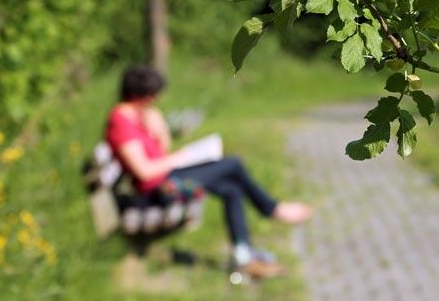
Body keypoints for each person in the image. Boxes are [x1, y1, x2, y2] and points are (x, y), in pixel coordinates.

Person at [105, 64, 312, 279]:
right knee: (232, 164)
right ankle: (272, 209)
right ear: (143, 96)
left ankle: (243, 256)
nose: (155, 101)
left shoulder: (137, 118)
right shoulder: (121, 123)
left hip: (167, 180)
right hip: (160, 192)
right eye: (153, 96)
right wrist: (178, 158)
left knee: (231, 190)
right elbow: (144, 172)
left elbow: (160, 152)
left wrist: (160, 131)